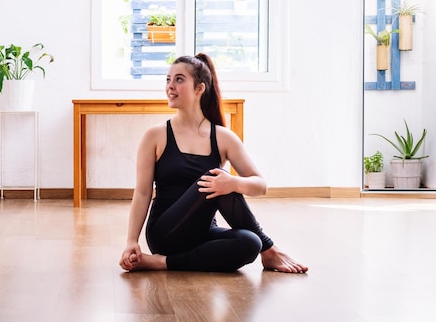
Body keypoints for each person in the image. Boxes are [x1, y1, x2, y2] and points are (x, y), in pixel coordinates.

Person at [119, 53, 308, 274]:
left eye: (179, 79)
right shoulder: (155, 136)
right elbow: (142, 193)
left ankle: (162, 263)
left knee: (250, 242)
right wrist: (131, 240)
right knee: (215, 177)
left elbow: (260, 185)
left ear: (200, 88)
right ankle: (271, 250)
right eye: (168, 80)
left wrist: (233, 183)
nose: (170, 86)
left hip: (203, 234)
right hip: (166, 233)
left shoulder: (222, 137)